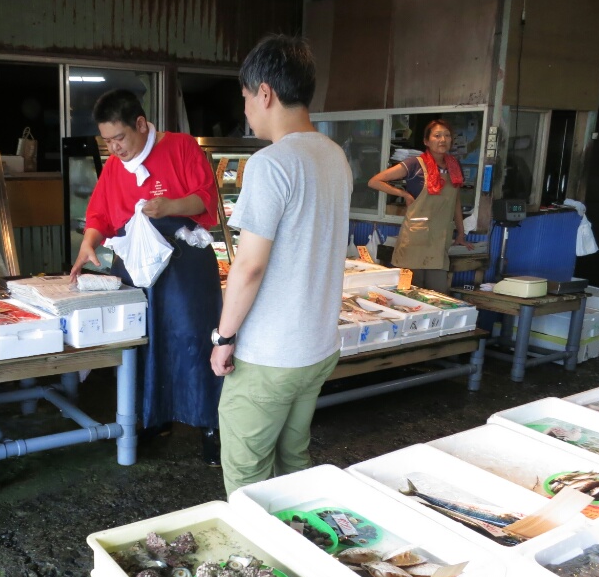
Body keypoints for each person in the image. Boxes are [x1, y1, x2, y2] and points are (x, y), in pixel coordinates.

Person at [210, 35, 352, 496]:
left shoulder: (271, 163)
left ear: (265, 93)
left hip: (270, 354)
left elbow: (249, 267)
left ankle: (259, 544)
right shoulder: (334, 155)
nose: (246, 109)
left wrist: (224, 338)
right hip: (316, 348)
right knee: (294, 464)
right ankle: (297, 535)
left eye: (246, 97)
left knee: (247, 479)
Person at [69, 89, 224, 466]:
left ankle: (211, 425)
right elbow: (100, 214)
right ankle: (154, 418)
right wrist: (89, 243)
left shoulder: (182, 147)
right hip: (134, 265)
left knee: (192, 339)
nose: (114, 149)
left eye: (119, 138)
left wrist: (171, 205)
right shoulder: (113, 166)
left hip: (184, 262)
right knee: (144, 341)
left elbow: (206, 198)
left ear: (140, 124)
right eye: (107, 142)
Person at [367, 119, 473, 292]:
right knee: (410, 293)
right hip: (414, 241)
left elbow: (456, 201)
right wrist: (402, 193)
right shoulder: (414, 164)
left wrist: (460, 233)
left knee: (438, 295)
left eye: (447, 135)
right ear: (426, 141)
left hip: (439, 243)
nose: (443, 139)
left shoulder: (454, 167)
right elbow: (375, 181)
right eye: (437, 135)